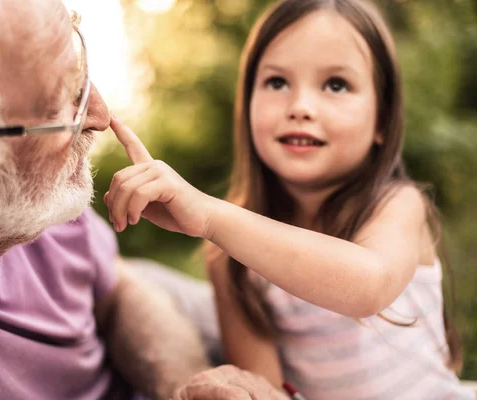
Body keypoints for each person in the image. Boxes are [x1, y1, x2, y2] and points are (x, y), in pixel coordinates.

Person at [0, 0, 288, 399]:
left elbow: (114, 288)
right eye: (63, 103)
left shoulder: (21, 198)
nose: (101, 115)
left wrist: (183, 386)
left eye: (81, 70)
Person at [104, 0, 476, 398]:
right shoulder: (230, 259)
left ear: (382, 121)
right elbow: (265, 390)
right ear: (246, 105)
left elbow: (369, 285)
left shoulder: (397, 204)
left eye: (336, 85)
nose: (300, 108)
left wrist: (211, 216)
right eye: (277, 83)